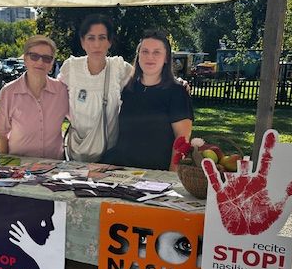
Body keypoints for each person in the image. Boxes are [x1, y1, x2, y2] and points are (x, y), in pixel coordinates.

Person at [103, 29, 193, 171]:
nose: (150, 57)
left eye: (156, 52)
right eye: (145, 51)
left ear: (166, 58)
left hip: (156, 173)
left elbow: (182, 140)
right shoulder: (128, 88)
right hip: (122, 171)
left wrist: (172, 176)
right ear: (138, 56)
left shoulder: (177, 92)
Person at [58, 14, 134, 162]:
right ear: (83, 42)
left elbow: (144, 81)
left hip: (109, 154)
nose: (97, 44)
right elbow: (55, 94)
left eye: (102, 38)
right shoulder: (71, 67)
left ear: (109, 42)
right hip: (77, 151)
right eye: (91, 38)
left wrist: (175, 84)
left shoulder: (118, 67)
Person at [0, 35, 69, 159]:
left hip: (54, 166)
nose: (40, 62)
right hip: (19, 166)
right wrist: (4, 166)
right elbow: (1, 134)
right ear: (25, 59)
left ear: (52, 64)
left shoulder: (62, 91)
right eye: (34, 56)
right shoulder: (9, 92)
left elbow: (79, 121)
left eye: (46, 58)